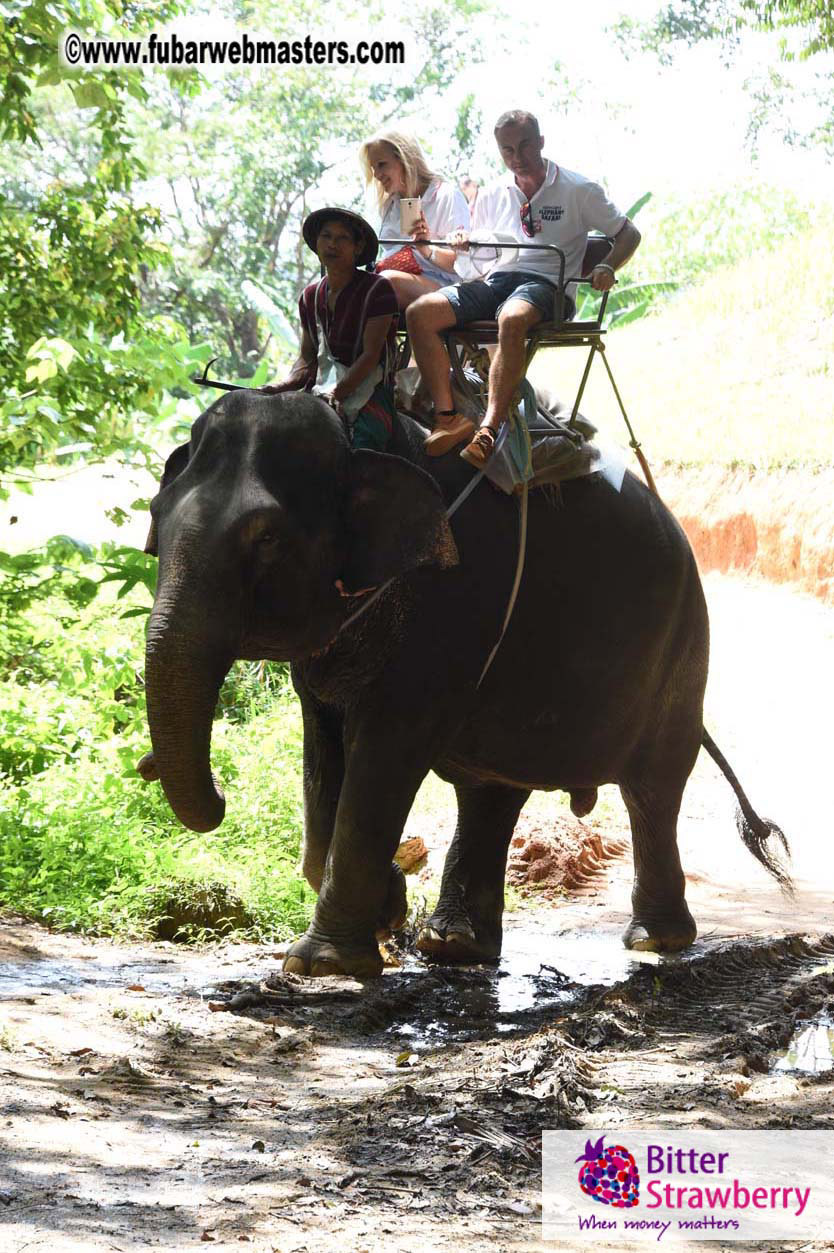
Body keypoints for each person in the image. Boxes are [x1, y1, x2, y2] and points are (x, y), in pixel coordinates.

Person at [406, 110, 642, 468]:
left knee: (512, 318)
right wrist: (466, 245)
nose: (517, 158)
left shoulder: (578, 190)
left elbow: (629, 233)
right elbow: (481, 261)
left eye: (525, 146)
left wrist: (608, 265)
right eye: (508, 151)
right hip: (497, 281)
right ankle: (448, 417)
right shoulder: (491, 195)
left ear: (542, 142)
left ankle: (488, 430)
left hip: (548, 286)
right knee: (419, 313)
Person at [263, 208, 398, 452]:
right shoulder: (310, 296)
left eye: (342, 238)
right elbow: (307, 356)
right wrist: (281, 386)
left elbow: (371, 355)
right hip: (322, 388)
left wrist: (337, 393)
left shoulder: (378, 289)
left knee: (364, 446)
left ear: (358, 247)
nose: (332, 244)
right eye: (326, 236)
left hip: (370, 390)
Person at [359, 131, 470, 310]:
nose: (377, 175)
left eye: (382, 165)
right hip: (394, 281)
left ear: (405, 160)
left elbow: (463, 265)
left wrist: (426, 249)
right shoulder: (389, 205)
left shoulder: (446, 196)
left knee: (385, 283)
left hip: (444, 288)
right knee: (339, 285)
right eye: (373, 169)